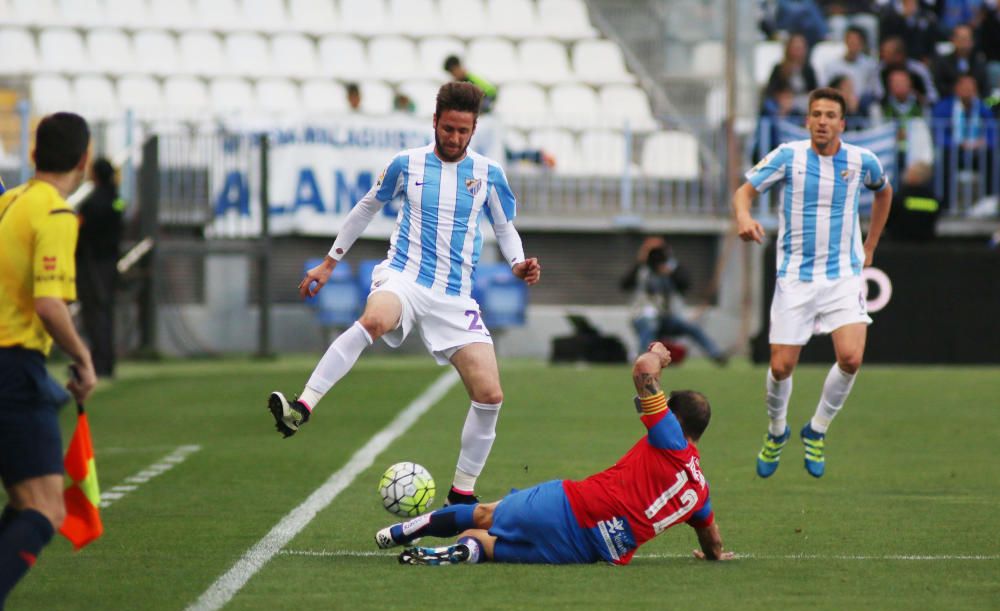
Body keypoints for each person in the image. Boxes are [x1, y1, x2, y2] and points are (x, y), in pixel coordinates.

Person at [267, 82, 541, 506]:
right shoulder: (406, 164)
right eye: (447, 128)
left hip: (455, 297)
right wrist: (329, 261)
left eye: (462, 131)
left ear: (474, 129)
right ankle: (302, 406)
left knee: (490, 397)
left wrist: (517, 263)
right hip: (405, 278)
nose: (453, 138)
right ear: (434, 122)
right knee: (374, 319)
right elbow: (365, 207)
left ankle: (461, 494)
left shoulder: (489, 174)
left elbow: (504, 228)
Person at [374, 342, 732, 566]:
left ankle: (397, 533)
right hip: (593, 550)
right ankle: (458, 554)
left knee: (484, 515)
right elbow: (711, 536)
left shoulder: (668, 436)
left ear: (673, 414)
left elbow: (643, 370)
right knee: (487, 545)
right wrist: (715, 556)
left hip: (573, 506)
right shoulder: (700, 492)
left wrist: (657, 353)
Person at [731, 88, 893, 479]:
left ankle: (816, 430)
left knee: (851, 357)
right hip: (796, 278)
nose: (822, 121)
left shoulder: (861, 161)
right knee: (781, 366)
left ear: (842, 123)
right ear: (807, 121)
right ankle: (776, 431)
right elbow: (744, 192)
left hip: (842, 276)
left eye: (830, 115)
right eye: (816, 113)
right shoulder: (789, 155)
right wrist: (743, 218)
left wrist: (870, 244)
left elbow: (884, 192)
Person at [0, 112, 97, 611]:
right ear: (83, 159)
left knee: (23, 499)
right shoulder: (56, 214)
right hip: (13, 367)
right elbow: (48, 304)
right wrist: (83, 359)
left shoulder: (9, 200)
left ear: (34, 154)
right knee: (45, 508)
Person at [620, 237, 728, 365]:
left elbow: (685, 285)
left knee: (691, 328)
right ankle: (645, 360)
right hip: (642, 316)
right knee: (649, 326)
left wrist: (670, 271)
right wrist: (639, 262)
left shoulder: (670, 268)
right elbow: (624, 285)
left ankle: (715, 354)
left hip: (665, 318)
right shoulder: (641, 269)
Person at [75, 156, 124, 378]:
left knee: (94, 313)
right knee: (106, 313)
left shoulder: (92, 203)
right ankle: (107, 360)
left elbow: (81, 232)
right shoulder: (116, 199)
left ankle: (98, 362)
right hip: (110, 262)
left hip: (92, 264)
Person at [931, 73, 997, 206]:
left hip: (978, 152)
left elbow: (993, 133)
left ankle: (990, 201)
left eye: (971, 87)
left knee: (993, 157)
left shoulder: (983, 107)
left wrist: (982, 142)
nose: (967, 90)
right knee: (944, 158)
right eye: (964, 86)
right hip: (954, 151)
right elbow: (938, 134)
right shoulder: (944, 107)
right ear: (956, 88)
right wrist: (959, 143)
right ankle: (945, 203)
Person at [822, 26, 881, 105]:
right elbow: (827, 91)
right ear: (845, 41)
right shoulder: (832, 65)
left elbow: (877, 92)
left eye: (857, 41)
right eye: (851, 40)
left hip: (863, 106)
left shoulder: (870, 65)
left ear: (862, 43)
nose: (853, 43)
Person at [932, 23, 990, 99]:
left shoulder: (979, 62)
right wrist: (959, 91)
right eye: (961, 39)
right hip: (949, 102)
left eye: (967, 39)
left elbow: (985, 88)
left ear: (972, 42)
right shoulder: (942, 62)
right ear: (953, 40)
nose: (964, 43)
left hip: (975, 103)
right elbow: (938, 85)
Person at [765, 33, 819, 114]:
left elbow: (814, 89)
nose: (797, 51)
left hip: (803, 100)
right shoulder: (779, 68)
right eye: (795, 48)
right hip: (783, 100)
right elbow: (771, 90)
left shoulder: (808, 69)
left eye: (800, 48)